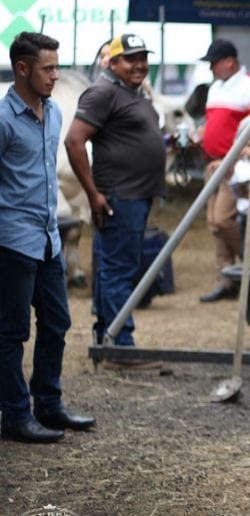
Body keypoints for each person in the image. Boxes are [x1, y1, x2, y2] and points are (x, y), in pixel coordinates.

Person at [1, 32, 95, 443]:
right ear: (22, 69)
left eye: (57, 67)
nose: (56, 76)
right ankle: (15, 414)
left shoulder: (54, 112)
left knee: (57, 322)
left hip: (48, 238)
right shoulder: (3, 120)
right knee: (11, 332)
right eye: (48, 68)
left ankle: (48, 404)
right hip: (12, 241)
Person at [65, 34, 166, 365]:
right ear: (113, 62)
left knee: (115, 267)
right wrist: (93, 193)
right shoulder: (103, 92)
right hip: (119, 195)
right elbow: (74, 141)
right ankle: (121, 345)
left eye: (143, 58)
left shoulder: (132, 91)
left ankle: (107, 337)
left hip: (136, 193)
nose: (139, 65)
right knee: (118, 269)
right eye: (130, 59)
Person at [198, 39, 250, 302]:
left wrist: (241, 155)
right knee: (214, 224)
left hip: (233, 165)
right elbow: (214, 123)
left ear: (229, 62)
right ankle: (227, 279)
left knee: (223, 219)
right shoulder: (216, 87)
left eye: (214, 63)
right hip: (212, 162)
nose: (211, 68)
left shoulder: (249, 87)